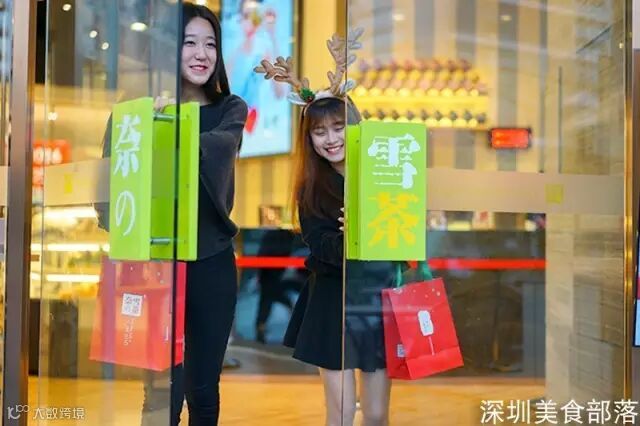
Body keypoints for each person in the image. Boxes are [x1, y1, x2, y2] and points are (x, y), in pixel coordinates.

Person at [96, 4, 247, 425]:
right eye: (190, 43)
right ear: (167, 49)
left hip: (212, 263)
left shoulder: (230, 108)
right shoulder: (134, 111)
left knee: (203, 389)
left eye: (210, 44)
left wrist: (168, 127)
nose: (202, 54)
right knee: (161, 392)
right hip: (156, 266)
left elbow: (219, 149)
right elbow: (109, 182)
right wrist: (146, 124)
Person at [255, 29, 394, 426]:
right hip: (331, 301)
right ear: (310, 139)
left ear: (355, 127)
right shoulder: (312, 188)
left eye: (338, 127)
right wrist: (353, 235)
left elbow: (401, 238)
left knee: (377, 414)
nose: (331, 139)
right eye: (320, 132)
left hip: (376, 299)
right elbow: (319, 245)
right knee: (341, 413)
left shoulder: (382, 178)